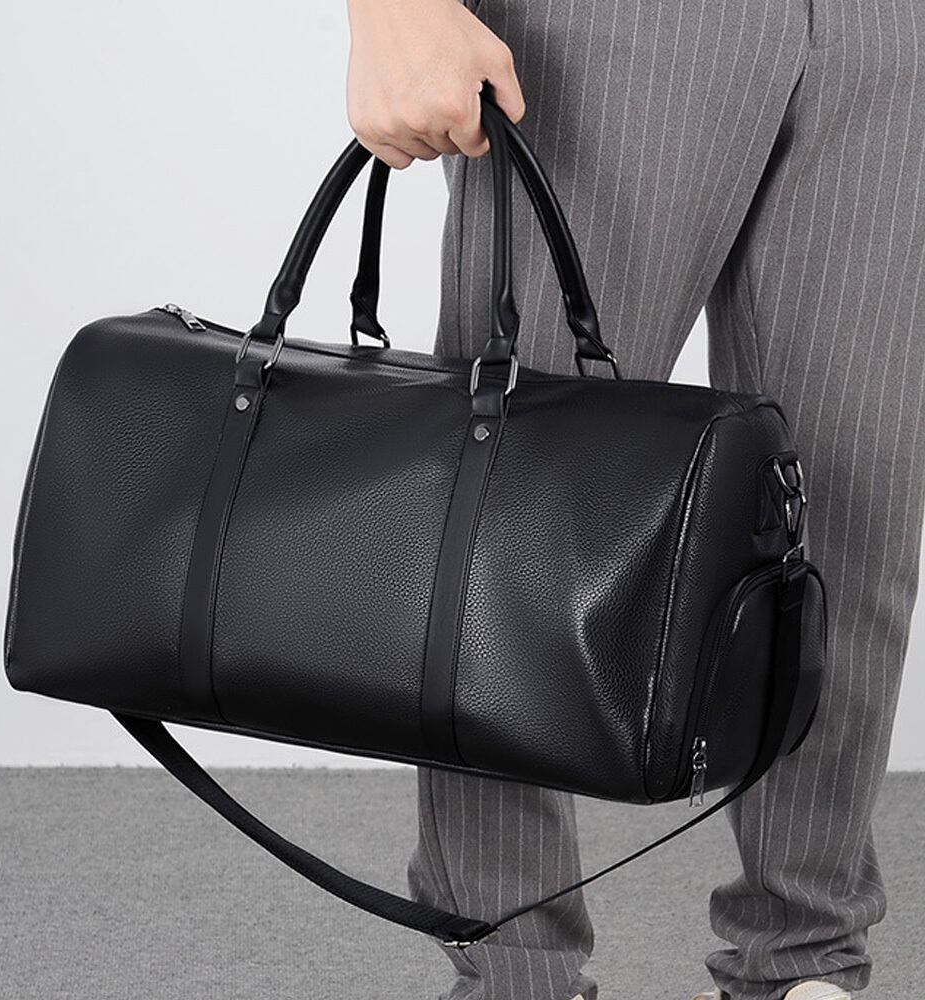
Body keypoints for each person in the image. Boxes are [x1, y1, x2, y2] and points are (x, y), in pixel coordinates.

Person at [344, 1, 925, 999]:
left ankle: (804, 959)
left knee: (846, 517)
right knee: (513, 501)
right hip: (609, 28)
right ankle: (517, 972)